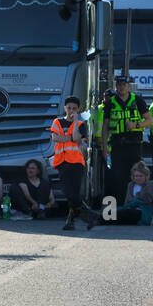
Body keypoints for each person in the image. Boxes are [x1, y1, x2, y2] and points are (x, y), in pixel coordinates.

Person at [101, 76, 152, 202]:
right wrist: (104, 147)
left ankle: (136, 204)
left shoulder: (138, 100)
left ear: (129, 86)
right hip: (117, 146)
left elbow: (149, 121)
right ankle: (118, 207)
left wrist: (136, 125)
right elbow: (105, 126)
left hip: (134, 145)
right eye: (119, 84)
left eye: (124, 84)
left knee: (136, 176)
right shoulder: (110, 103)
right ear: (116, 86)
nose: (121, 87)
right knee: (117, 177)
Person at [52, 95, 98, 230]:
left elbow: (77, 138)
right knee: (68, 192)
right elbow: (55, 138)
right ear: (65, 108)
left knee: (74, 194)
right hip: (62, 161)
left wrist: (75, 123)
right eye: (69, 108)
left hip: (76, 162)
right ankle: (90, 215)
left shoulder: (80, 124)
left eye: (74, 109)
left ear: (78, 110)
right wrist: (70, 138)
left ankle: (70, 222)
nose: (71, 111)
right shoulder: (57, 122)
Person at [96, 161, 153, 225]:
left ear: (146, 176)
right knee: (118, 215)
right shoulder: (131, 185)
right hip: (130, 210)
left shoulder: (152, 185)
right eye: (136, 176)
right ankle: (98, 220)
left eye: (140, 176)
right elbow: (127, 202)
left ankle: (98, 218)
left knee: (125, 213)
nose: (138, 178)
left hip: (142, 213)